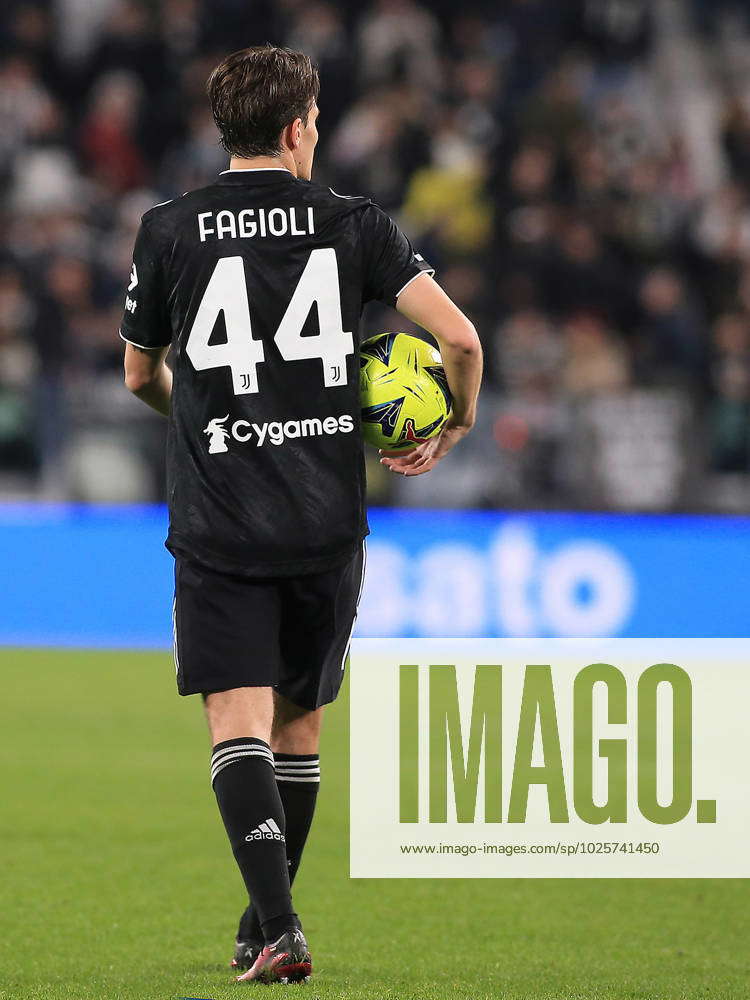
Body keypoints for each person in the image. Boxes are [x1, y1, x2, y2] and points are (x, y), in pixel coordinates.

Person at [120, 44, 482, 984]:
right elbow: (458, 339)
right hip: (326, 522)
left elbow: (137, 373)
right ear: (295, 129)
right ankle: (266, 921)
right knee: (300, 728)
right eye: (315, 121)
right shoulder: (355, 223)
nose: (316, 134)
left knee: (233, 724)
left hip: (222, 517)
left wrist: (196, 412)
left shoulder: (167, 229)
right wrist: (458, 419)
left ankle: (275, 923)